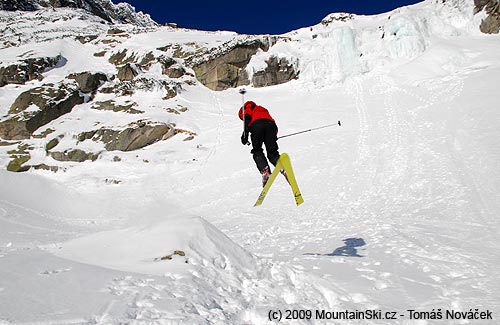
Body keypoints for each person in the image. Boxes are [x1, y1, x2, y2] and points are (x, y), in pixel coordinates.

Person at [238, 101, 281, 187]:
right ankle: (281, 166)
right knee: (272, 152)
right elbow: (273, 124)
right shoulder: (262, 109)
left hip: (257, 126)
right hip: (271, 126)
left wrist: (245, 134)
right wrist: (273, 137)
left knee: (257, 151)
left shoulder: (247, 107)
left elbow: (247, 117)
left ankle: (265, 170)